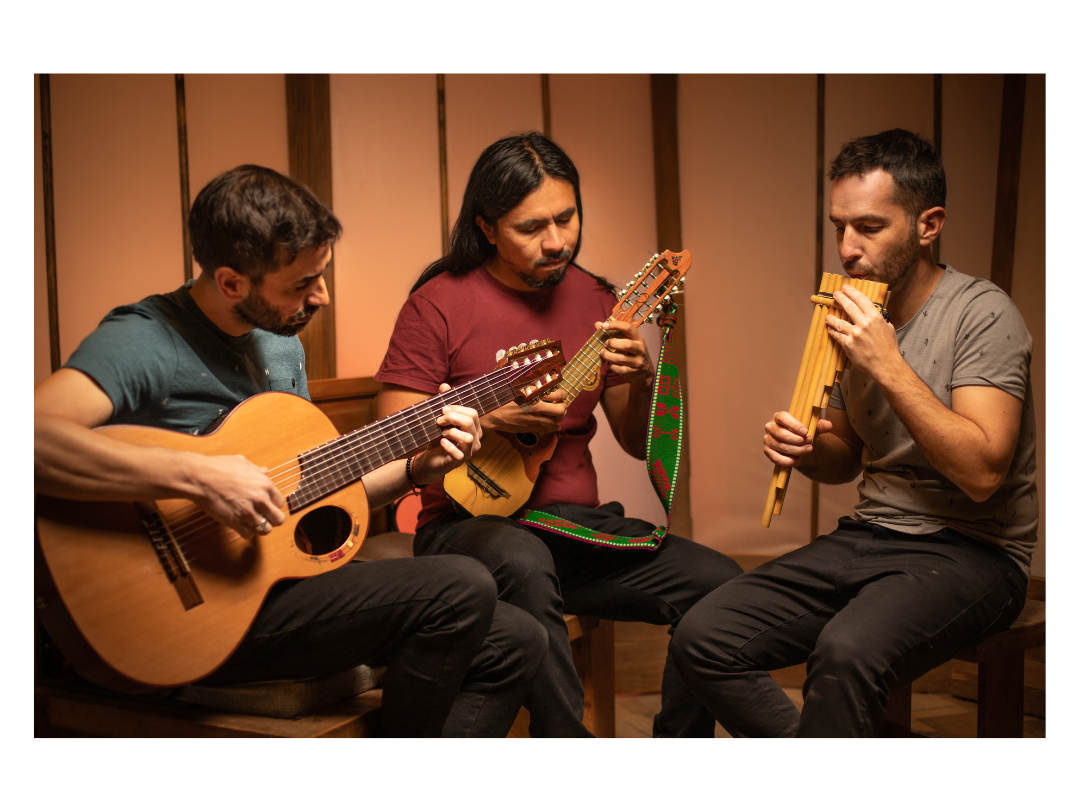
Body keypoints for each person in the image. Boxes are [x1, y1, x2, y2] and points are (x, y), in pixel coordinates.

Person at [34, 165, 547, 737]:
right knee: (461, 584)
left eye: (321, 275)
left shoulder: (279, 347)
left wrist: (417, 469)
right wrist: (197, 476)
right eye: (302, 283)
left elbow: (312, 484)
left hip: (270, 589)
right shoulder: (144, 339)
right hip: (182, 613)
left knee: (518, 639)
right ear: (232, 283)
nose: (321, 295)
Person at [669, 128, 1038, 737]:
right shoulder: (852, 313)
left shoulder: (983, 313)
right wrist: (808, 449)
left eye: (869, 227)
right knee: (701, 636)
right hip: (869, 534)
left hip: (975, 551)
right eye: (839, 226)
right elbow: (845, 459)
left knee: (844, 655)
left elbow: (982, 473)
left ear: (928, 225)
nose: (847, 248)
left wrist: (888, 364)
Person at [376, 133, 743, 738]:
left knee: (720, 586)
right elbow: (395, 436)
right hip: (470, 532)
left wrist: (641, 377)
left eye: (566, 218)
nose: (557, 241)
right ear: (487, 227)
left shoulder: (601, 301)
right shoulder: (437, 304)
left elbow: (634, 441)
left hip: (575, 531)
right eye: (531, 227)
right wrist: (491, 419)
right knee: (524, 558)